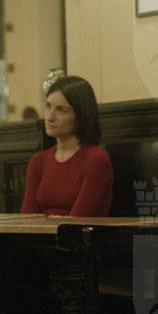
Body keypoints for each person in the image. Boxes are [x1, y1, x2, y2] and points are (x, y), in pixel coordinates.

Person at [21, 75, 113, 216]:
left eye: (61, 110)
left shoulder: (96, 159)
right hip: (41, 230)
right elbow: (27, 218)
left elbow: (79, 220)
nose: (50, 117)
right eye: (48, 106)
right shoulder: (38, 161)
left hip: (79, 230)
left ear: (80, 116)